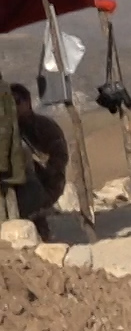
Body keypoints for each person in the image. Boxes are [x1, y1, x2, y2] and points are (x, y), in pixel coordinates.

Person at [10, 83, 67, 241]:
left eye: (17, 102)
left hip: (45, 182)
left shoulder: (44, 127)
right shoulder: (10, 129)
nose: (13, 107)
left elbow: (58, 160)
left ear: (27, 103)